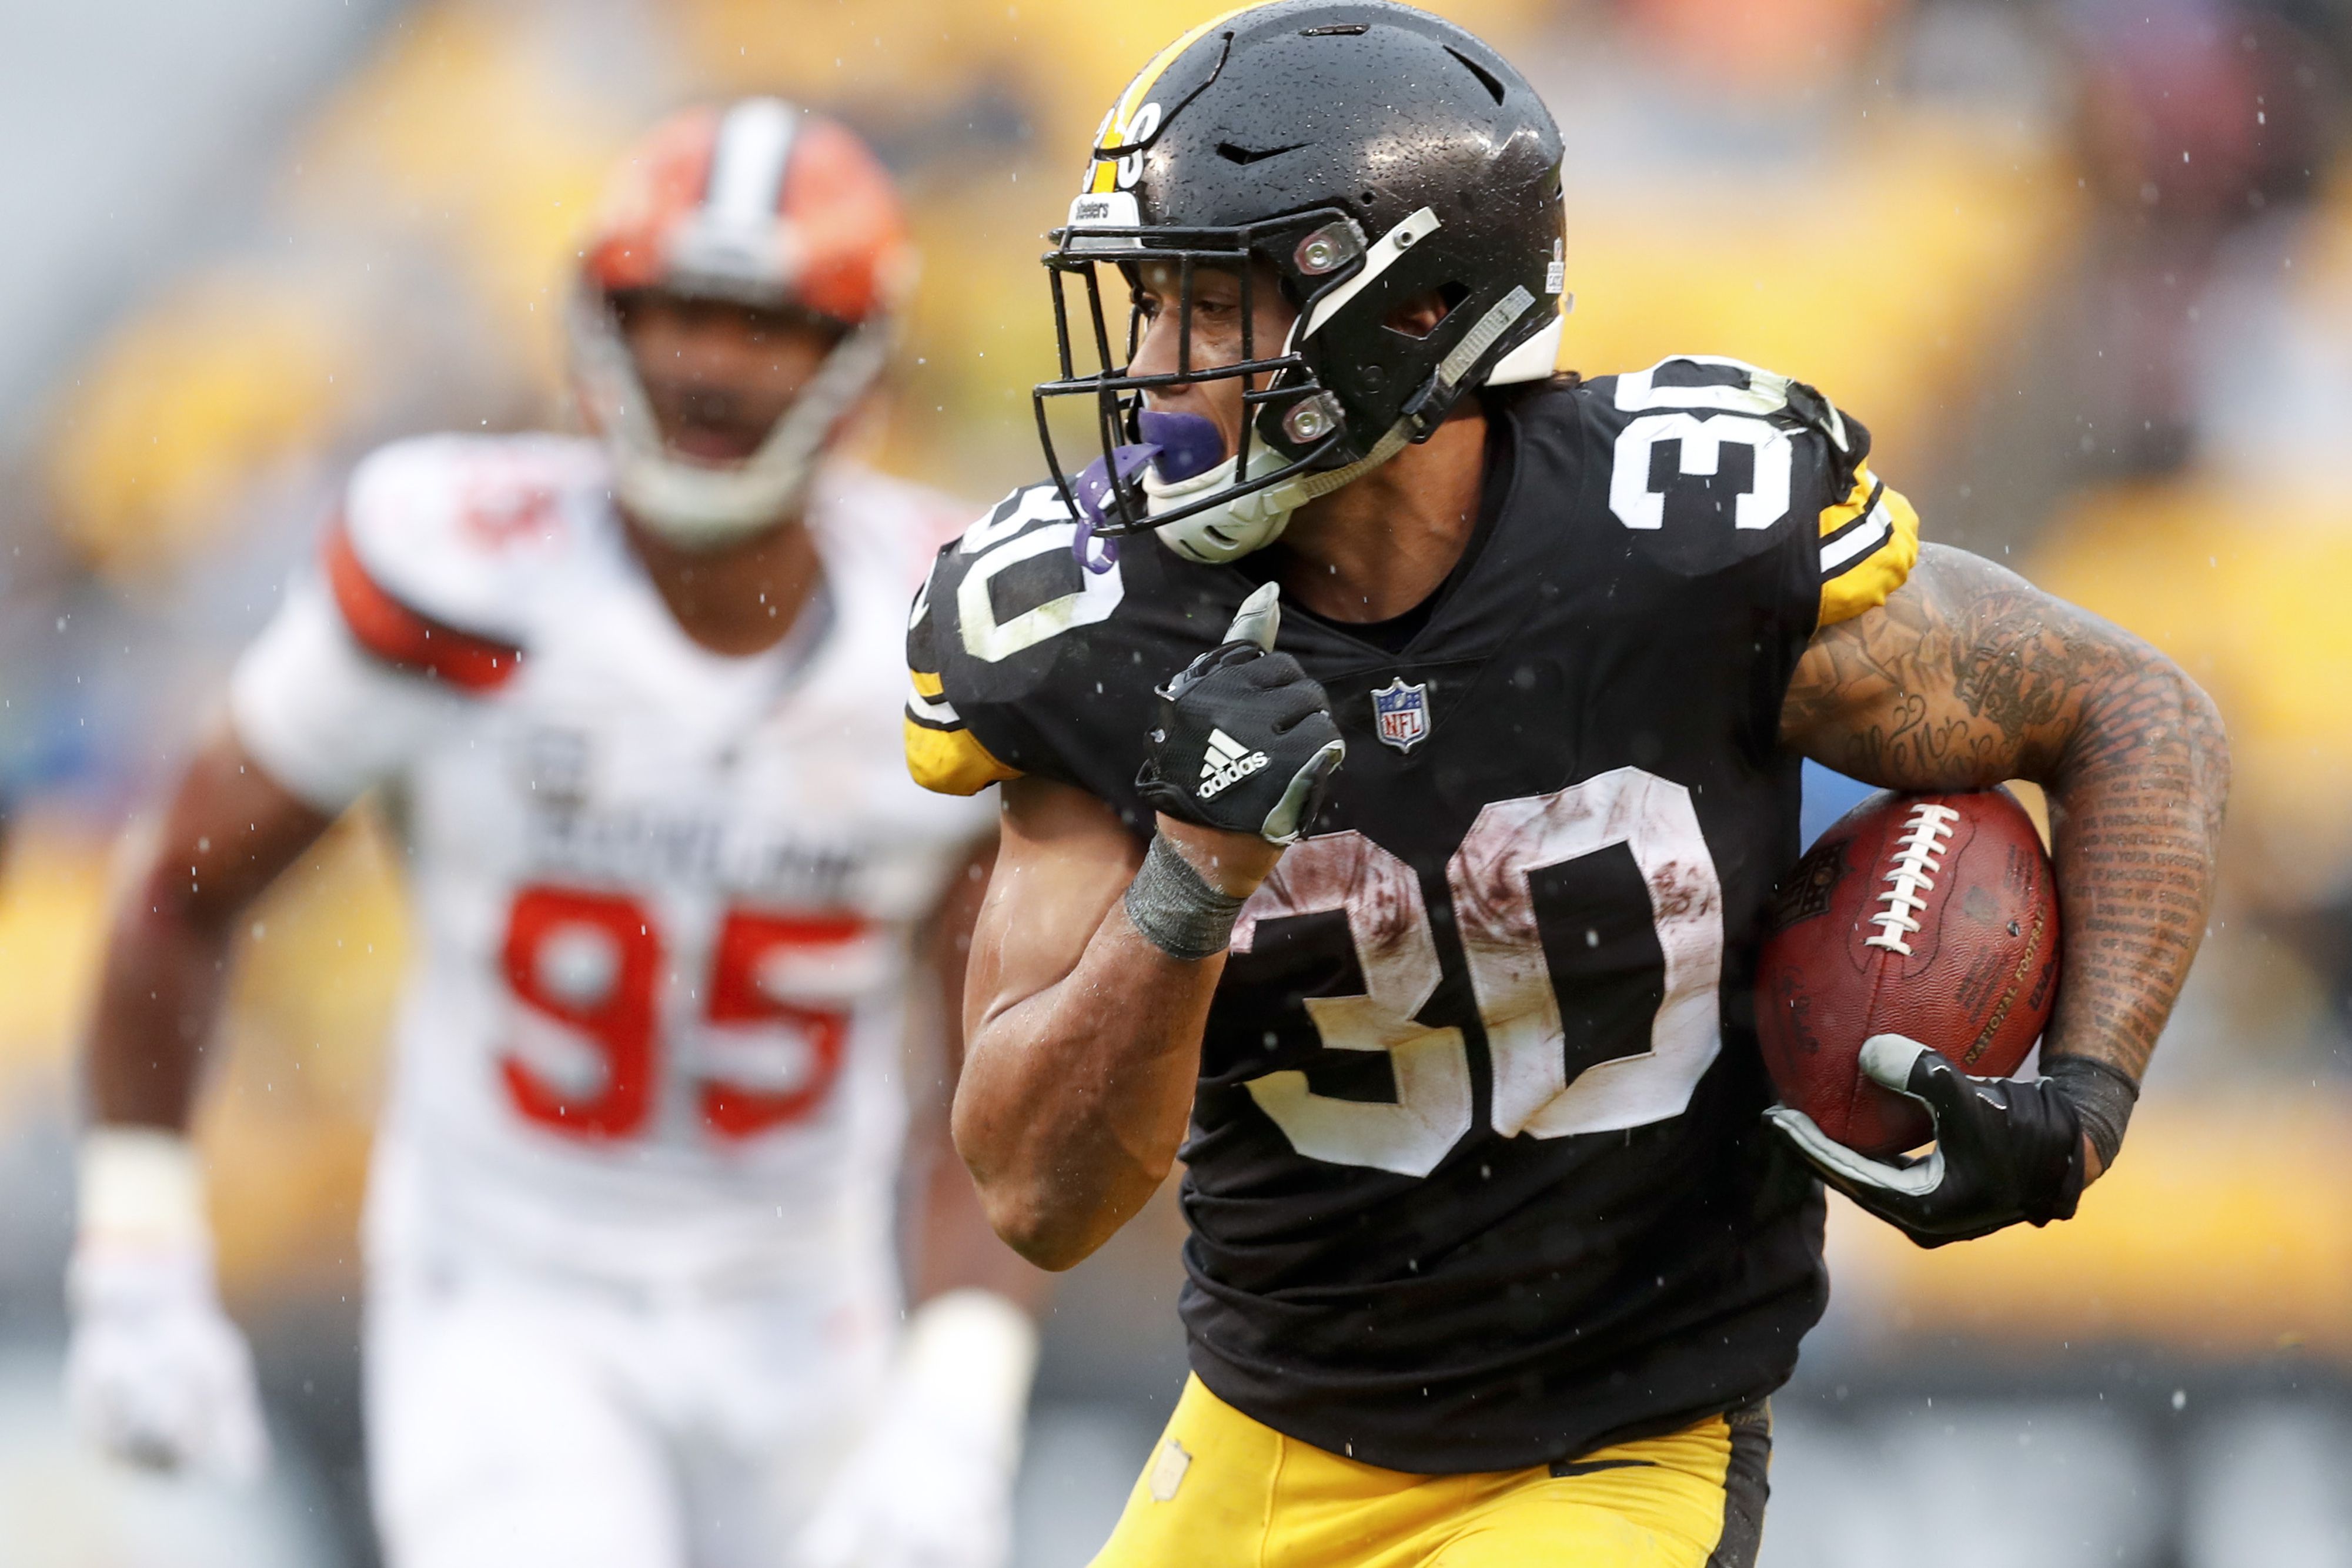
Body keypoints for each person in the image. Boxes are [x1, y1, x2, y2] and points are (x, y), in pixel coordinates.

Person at [905, 5, 2230, 1565]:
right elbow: (1036, 1191)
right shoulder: (1095, 628)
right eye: (1145, 303)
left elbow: (2138, 710)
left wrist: (2083, 1095)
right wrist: (1193, 873)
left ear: (1405, 314)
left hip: (1611, 1450)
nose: (1149, 375)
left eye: (1207, 308)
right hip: (1263, 1425)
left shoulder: (1673, 544)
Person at [69, 98, 1041, 1568]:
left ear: (854, 358)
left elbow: (996, 1076)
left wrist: (959, 1400)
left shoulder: (948, 635)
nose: (711, 364)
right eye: (678, 311)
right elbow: (183, 885)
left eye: (766, 322)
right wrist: (136, 1245)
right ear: (598, 321)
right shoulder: (457, 575)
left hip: (806, 1311)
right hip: (510, 1295)